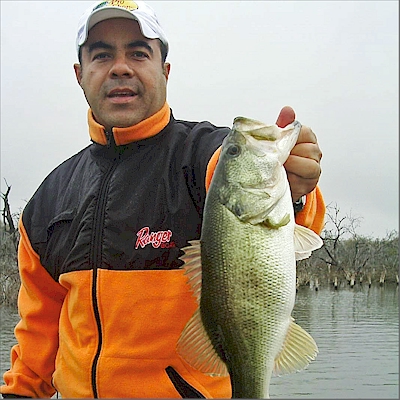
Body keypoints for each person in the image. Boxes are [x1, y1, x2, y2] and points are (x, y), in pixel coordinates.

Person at [1, 1, 325, 398]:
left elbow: (260, 203)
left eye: (138, 52)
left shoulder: (203, 155)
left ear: (165, 71)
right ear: (79, 75)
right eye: (102, 55)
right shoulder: (49, 200)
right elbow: (38, 331)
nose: (120, 67)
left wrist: (294, 189)